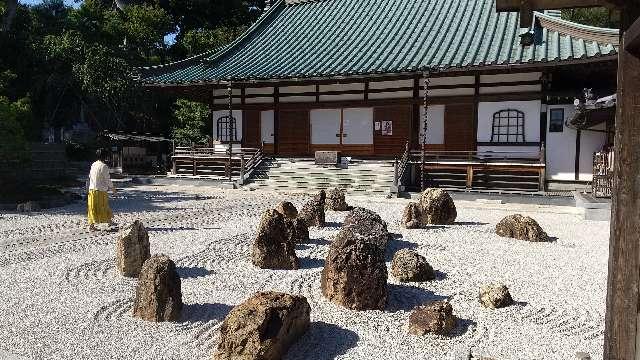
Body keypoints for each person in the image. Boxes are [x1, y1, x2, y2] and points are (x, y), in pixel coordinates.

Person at [87, 149, 117, 231]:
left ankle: (105, 222)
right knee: (103, 206)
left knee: (93, 208)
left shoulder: (94, 164)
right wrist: (113, 188)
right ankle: (107, 222)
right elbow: (107, 179)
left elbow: (90, 177)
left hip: (92, 189)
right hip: (100, 190)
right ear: (105, 157)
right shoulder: (104, 166)